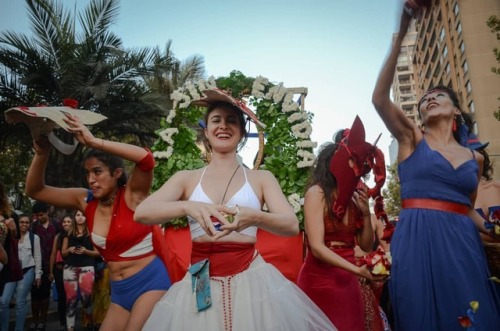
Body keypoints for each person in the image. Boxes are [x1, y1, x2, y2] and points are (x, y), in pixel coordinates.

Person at [134, 88, 336, 330]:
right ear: (206, 131)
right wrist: (188, 205)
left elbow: (291, 225)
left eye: (232, 121)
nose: (223, 126)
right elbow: (142, 213)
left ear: (241, 133)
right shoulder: (186, 178)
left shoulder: (261, 178)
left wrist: (255, 217)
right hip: (200, 277)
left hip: (251, 278)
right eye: (216, 120)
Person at [371, 2, 500, 329]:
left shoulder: (476, 158)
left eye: (439, 96)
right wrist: (401, 30)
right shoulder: (411, 138)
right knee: (419, 314)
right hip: (416, 236)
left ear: (456, 111)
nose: (429, 98)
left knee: (469, 313)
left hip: (461, 243)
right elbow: (379, 99)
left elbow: (467, 209)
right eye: (425, 98)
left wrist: (494, 229)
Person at [25, 112, 171, 331]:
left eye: (98, 171)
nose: (91, 179)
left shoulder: (133, 195)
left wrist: (93, 141)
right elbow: (34, 190)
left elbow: (146, 160)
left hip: (151, 282)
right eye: (88, 173)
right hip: (119, 292)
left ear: (117, 173)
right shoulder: (85, 201)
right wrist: (42, 154)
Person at [296, 128, 386, 331]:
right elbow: (317, 248)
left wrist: (364, 213)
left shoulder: (356, 197)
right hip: (318, 282)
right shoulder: (316, 193)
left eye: (361, 164)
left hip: (348, 283)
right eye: (353, 161)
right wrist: (357, 270)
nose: (357, 168)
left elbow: (364, 245)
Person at [0, 214, 42, 331]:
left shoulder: (34, 238)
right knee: (3, 301)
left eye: (27, 222)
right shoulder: (9, 236)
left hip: (27, 270)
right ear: (17, 224)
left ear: (30, 224)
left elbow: (38, 256)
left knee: (20, 302)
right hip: (11, 271)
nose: (24, 224)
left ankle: (19, 329)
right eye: (21, 222)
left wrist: (38, 274)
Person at [61, 210, 99, 331]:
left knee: (86, 299)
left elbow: (98, 253)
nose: (80, 217)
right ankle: (70, 328)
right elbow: (63, 253)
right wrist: (70, 249)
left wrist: (86, 251)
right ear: (75, 217)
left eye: (83, 215)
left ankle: (89, 323)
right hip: (70, 267)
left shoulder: (92, 233)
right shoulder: (68, 233)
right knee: (70, 300)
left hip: (87, 267)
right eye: (77, 215)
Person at [28, 201, 59, 331]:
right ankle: (34, 320)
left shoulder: (57, 225)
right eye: (37, 215)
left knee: (45, 295)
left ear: (47, 212)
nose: (39, 217)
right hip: (36, 265)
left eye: (41, 215)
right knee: (35, 295)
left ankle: (43, 321)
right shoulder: (34, 226)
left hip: (51, 265)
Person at [49, 214, 72, 331]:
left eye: (68, 222)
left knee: (71, 297)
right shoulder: (58, 236)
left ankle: (70, 322)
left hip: (72, 269)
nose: (66, 224)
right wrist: (50, 271)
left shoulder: (74, 235)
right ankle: (63, 323)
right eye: (64, 222)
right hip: (58, 270)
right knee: (62, 297)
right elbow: (53, 254)